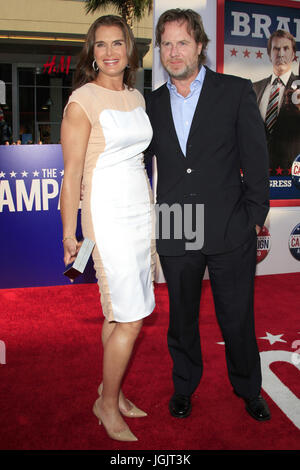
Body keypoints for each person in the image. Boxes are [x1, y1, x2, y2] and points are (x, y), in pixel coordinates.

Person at [145, 9, 271, 421]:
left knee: (236, 317)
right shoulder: (150, 104)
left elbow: (256, 159)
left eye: (183, 42)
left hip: (230, 223)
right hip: (176, 222)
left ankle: (249, 388)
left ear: (200, 45)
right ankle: (184, 386)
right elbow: (135, 162)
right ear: (159, 50)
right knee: (180, 319)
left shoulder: (234, 91)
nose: (174, 51)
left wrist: (254, 215)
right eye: (166, 43)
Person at [60, 15, 155, 442]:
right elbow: (72, 174)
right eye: (101, 45)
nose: (111, 52)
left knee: (118, 311)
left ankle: (111, 392)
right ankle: (105, 404)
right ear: (91, 52)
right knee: (131, 317)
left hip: (140, 212)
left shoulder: (138, 97)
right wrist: (69, 233)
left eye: (118, 43)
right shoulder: (82, 101)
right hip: (107, 213)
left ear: (130, 49)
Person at [253, 30, 300, 175]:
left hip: (292, 174)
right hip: (259, 172)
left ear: (293, 54)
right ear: (269, 54)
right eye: (276, 49)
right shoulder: (254, 88)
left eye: (286, 48)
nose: (281, 54)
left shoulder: (299, 86)